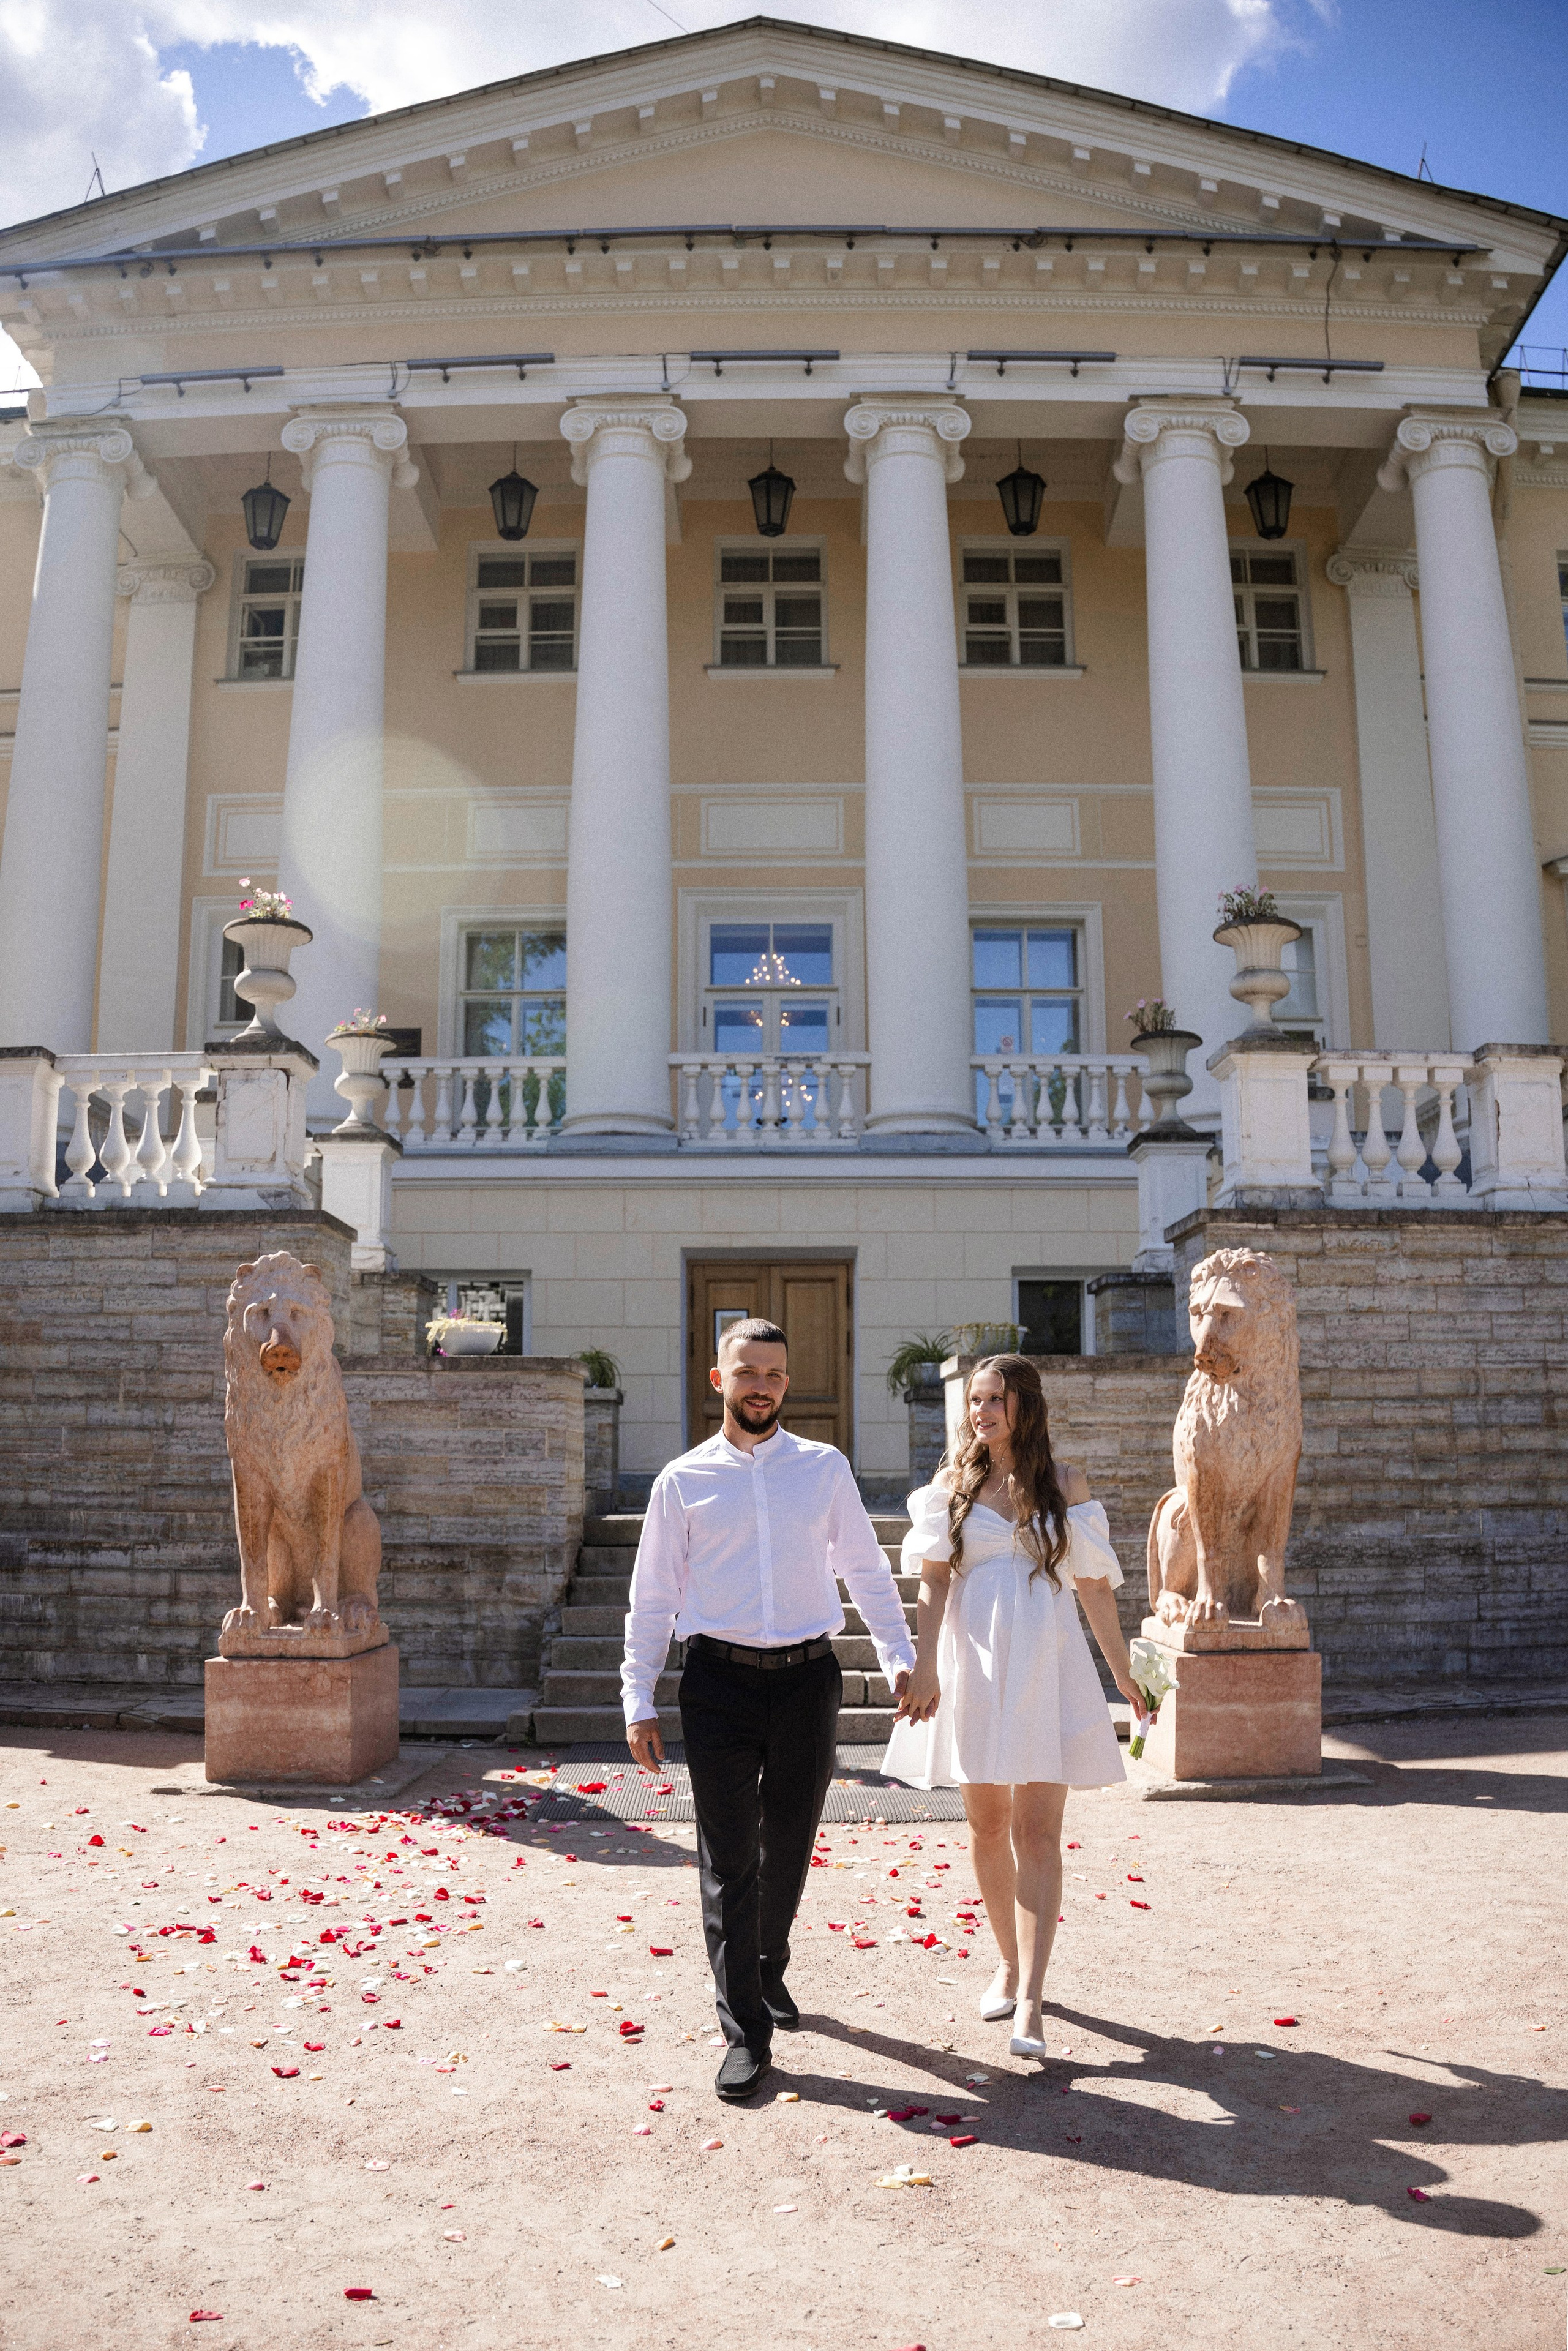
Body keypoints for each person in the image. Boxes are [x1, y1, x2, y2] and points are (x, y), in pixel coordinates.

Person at [621, 1318, 916, 2102]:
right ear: (718, 1380)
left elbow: (864, 1567)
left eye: (775, 1374)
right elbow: (652, 1596)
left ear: (787, 1382)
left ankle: (766, 1962)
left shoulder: (823, 1469)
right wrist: (636, 1695)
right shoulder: (680, 1481)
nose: (761, 1386)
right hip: (715, 1684)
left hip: (806, 1682)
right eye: (747, 1372)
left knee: (788, 1842)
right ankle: (745, 2033)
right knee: (728, 1859)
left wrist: (898, 1654)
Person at [881, 1354, 1147, 2060]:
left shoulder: (1065, 1484)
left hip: (1044, 1666)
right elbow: (933, 1583)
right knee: (986, 1823)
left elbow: (1093, 1586)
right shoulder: (952, 1486)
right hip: (972, 1666)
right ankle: (1005, 1960)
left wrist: (1122, 1672)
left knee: (1036, 1832)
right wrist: (925, 1665)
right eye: (975, 1400)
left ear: (1025, 1405)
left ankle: (1031, 1997)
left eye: (995, 1399)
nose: (981, 1412)